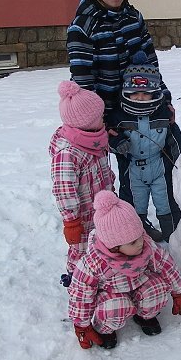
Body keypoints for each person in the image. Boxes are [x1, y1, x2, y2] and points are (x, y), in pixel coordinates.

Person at [66, 0, 181, 234]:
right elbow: (83, 82)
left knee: (166, 162)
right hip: (111, 114)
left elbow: (150, 64)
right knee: (129, 172)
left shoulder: (133, 17)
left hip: (144, 102)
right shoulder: (83, 26)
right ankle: (133, 227)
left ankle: (174, 223)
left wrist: (164, 99)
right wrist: (100, 122)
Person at [68, 190, 181, 350]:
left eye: (140, 236)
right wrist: (82, 325)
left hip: (139, 284)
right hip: (111, 294)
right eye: (132, 242)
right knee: (116, 307)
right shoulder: (95, 262)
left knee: (157, 288)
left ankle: (144, 316)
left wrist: (178, 292)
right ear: (114, 246)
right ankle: (105, 329)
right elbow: (80, 293)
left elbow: (167, 266)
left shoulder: (146, 247)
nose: (140, 243)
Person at [49, 81, 115, 286]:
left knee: (102, 243)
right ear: (86, 123)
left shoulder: (94, 139)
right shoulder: (67, 153)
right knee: (81, 249)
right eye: (99, 116)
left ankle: (100, 275)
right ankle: (76, 280)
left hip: (102, 208)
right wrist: (71, 222)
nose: (103, 119)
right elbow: (64, 190)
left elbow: (103, 168)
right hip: (82, 216)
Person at [106, 51, 175, 242]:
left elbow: (174, 140)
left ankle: (172, 234)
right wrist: (117, 143)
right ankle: (139, 235)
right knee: (136, 204)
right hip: (133, 169)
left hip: (158, 166)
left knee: (164, 201)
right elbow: (110, 137)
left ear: (154, 93)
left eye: (145, 94)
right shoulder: (119, 116)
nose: (140, 98)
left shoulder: (162, 112)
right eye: (135, 93)